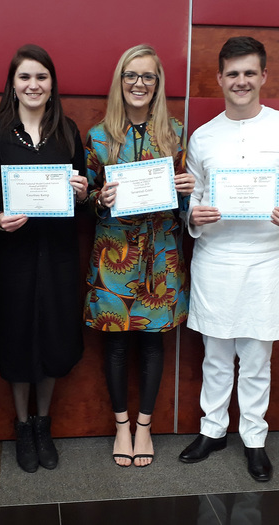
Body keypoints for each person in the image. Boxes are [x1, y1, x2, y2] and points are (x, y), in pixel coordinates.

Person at [178, 36, 279, 482]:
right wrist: (193, 216)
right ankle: (213, 429)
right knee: (215, 355)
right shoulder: (203, 136)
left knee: (257, 359)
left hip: (267, 261)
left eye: (249, 73)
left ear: (263, 77)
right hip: (215, 258)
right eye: (233, 73)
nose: (241, 81)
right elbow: (193, 195)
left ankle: (254, 438)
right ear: (220, 79)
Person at [0, 44, 88, 473]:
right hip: (14, 256)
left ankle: (44, 423)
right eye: (25, 77)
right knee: (18, 334)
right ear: (13, 83)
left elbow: (83, 198)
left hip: (58, 254)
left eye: (41, 76)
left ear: (52, 82)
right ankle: (22, 425)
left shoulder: (67, 131)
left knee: (55, 335)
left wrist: (81, 194)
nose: (33, 85)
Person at [83, 44, 194, 468]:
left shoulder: (177, 134)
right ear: (120, 81)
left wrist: (187, 194)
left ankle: (144, 428)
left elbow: (190, 204)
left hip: (160, 254)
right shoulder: (97, 136)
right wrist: (101, 197)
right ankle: (121, 426)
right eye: (131, 75)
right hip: (114, 254)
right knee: (113, 345)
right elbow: (84, 199)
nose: (139, 84)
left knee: (151, 344)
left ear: (158, 84)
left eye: (148, 76)